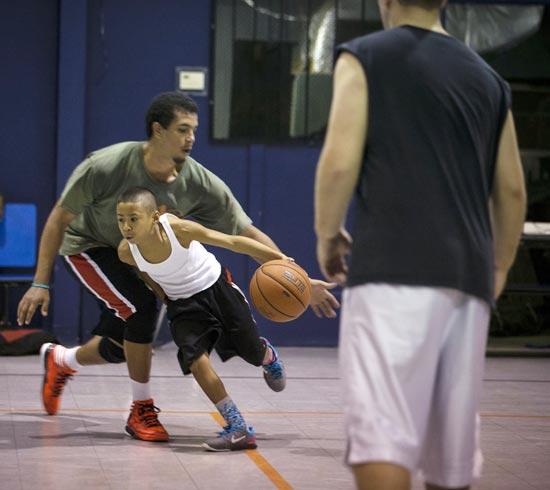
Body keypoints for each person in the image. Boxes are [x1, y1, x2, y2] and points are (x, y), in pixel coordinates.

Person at [17, 91, 339, 443]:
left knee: (123, 341)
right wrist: (40, 282)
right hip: (90, 245)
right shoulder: (106, 165)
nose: (191, 139)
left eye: (194, 130)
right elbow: (59, 218)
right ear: (158, 130)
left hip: (162, 263)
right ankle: (140, 409)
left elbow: (244, 233)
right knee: (141, 311)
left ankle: (63, 360)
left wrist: (300, 279)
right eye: (183, 130)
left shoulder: (198, 181)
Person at [314, 1, 526, 489]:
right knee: (448, 461)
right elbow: (511, 190)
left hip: (393, 269)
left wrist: (328, 235)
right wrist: (500, 265)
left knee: (383, 441)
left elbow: (340, 162)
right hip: (468, 281)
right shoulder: (489, 80)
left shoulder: (364, 56)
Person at [115, 186, 289, 450]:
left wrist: (283, 261)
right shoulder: (126, 251)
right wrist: (164, 296)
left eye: (133, 219)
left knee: (252, 353)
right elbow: (146, 272)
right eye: (121, 220)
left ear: (153, 218)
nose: (126, 226)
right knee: (196, 362)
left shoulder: (178, 230)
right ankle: (238, 427)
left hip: (216, 288)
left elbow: (233, 242)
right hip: (183, 306)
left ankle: (267, 356)